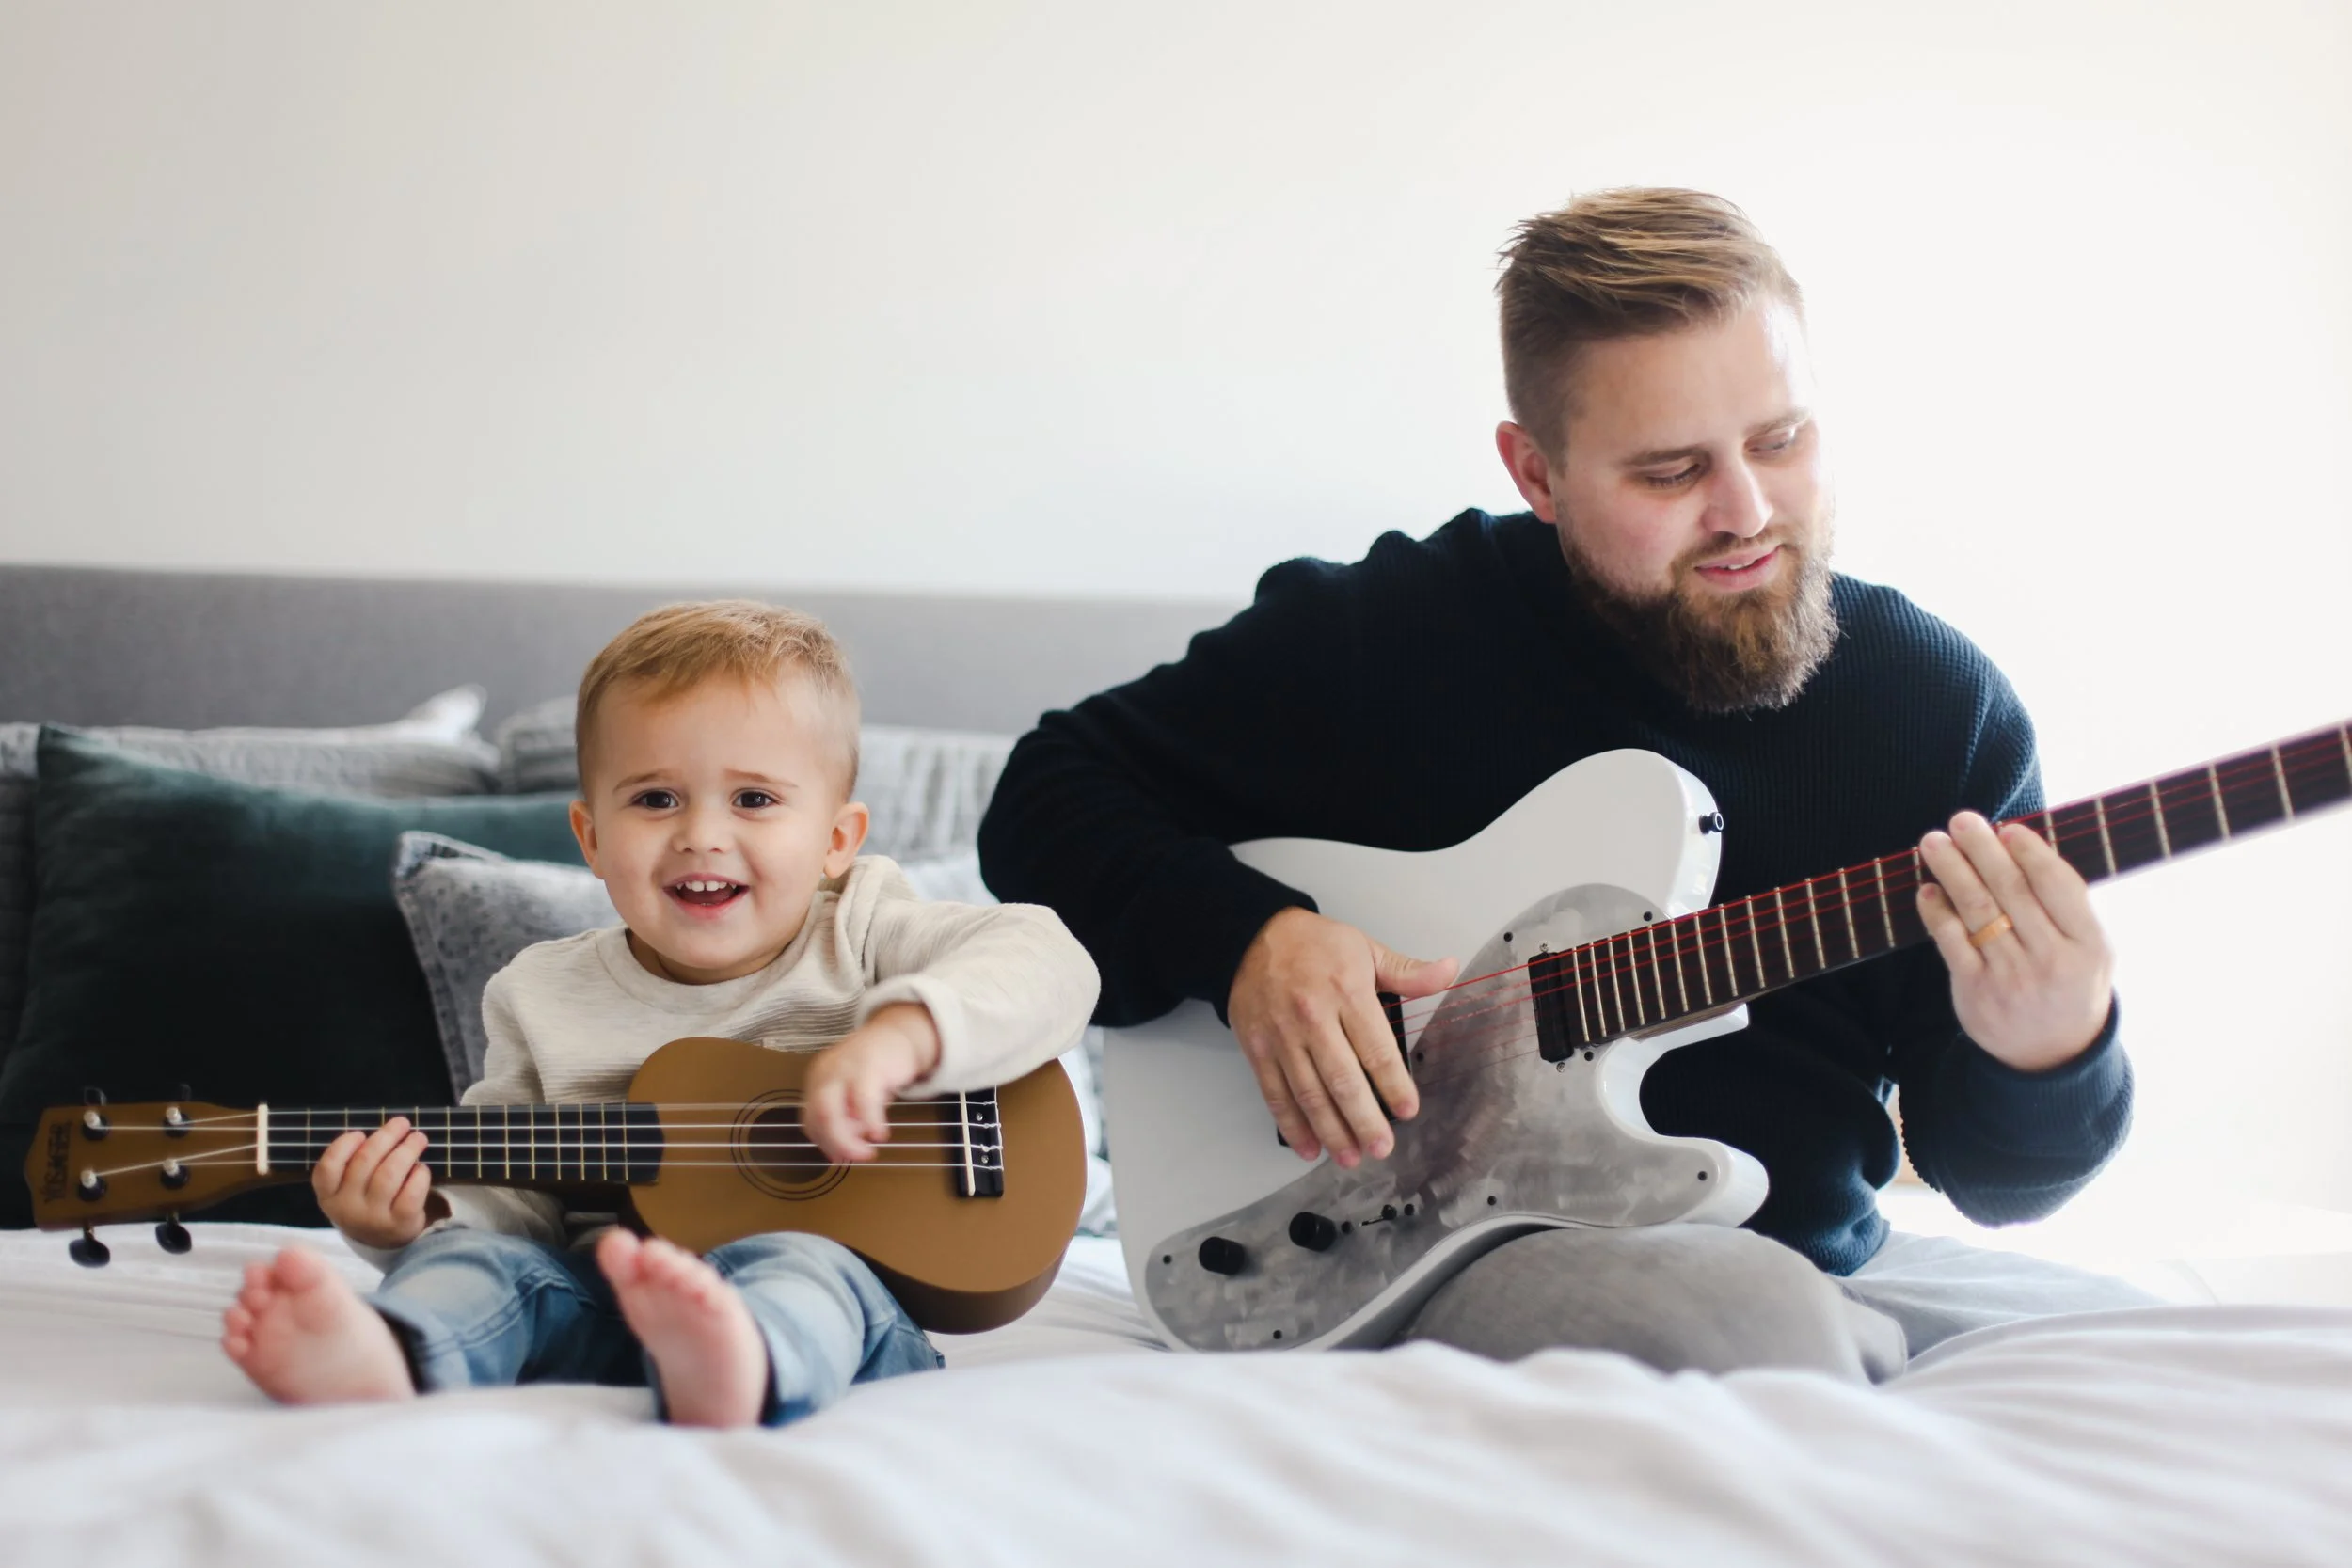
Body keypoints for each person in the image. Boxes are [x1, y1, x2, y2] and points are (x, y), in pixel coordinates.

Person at [978, 188, 2152, 1381]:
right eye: (1670, 470)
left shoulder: (1939, 713)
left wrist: (2053, 1045)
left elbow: (2001, 1181)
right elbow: (1046, 793)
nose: (1744, 510)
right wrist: (1248, 944)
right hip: (1432, 1243)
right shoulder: (1391, 634)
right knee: (1757, 1332)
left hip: (1792, 1254)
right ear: (1536, 473)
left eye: (1779, 440)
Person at [221, 601, 1099, 1425]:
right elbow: (512, 1192)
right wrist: (415, 1220)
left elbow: (1048, 959)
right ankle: (399, 1351)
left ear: (837, 839)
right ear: (591, 838)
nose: (701, 834)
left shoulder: (864, 928)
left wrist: (902, 1037)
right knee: (472, 1265)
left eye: (753, 798)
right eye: (654, 798)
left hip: (844, 1296)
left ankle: (742, 1360)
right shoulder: (540, 991)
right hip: (597, 1296)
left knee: (799, 1262)